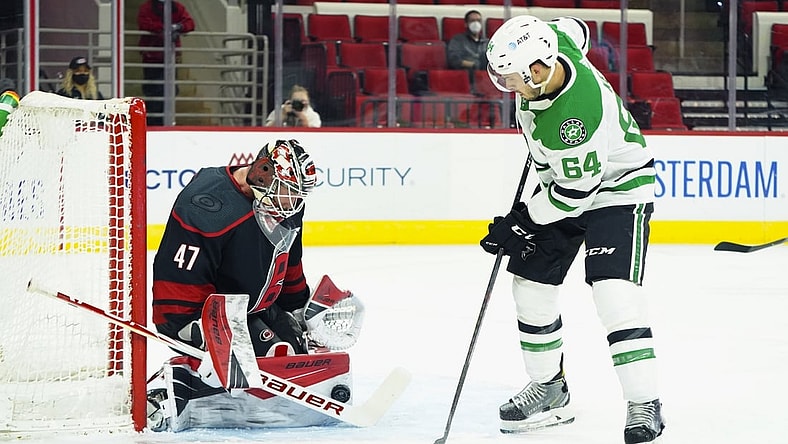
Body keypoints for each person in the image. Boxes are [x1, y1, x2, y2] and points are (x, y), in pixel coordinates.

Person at [480, 15, 664, 444]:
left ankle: (644, 401)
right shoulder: (554, 43)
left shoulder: (574, 119)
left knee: (614, 293)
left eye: (512, 79)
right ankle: (549, 389)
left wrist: (520, 223)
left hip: (617, 192)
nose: (508, 89)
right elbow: (574, 26)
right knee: (530, 286)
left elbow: (570, 199)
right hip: (564, 184)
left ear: (540, 69)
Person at [147, 139, 363, 432]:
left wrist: (299, 308)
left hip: (250, 307)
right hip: (207, 315)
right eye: (288, 192)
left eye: (298, 195)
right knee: (275, 354)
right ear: (262, 172)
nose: (292, 203)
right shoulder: (206, 206)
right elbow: (177, 276)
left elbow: (288, 259)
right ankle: (174, 388)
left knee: (295, 350)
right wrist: (193, 328)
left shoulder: (283, 204)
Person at [137, 0, 195, 125]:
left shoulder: (176, 7)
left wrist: (178, 27)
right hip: (152, 57)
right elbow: (145, 24)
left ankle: (163, 121)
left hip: (170, 57)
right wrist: (167, 29)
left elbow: (190, 23)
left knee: (171, 89)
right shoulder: (147, 8)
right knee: (154, 91)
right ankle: (153, 122)